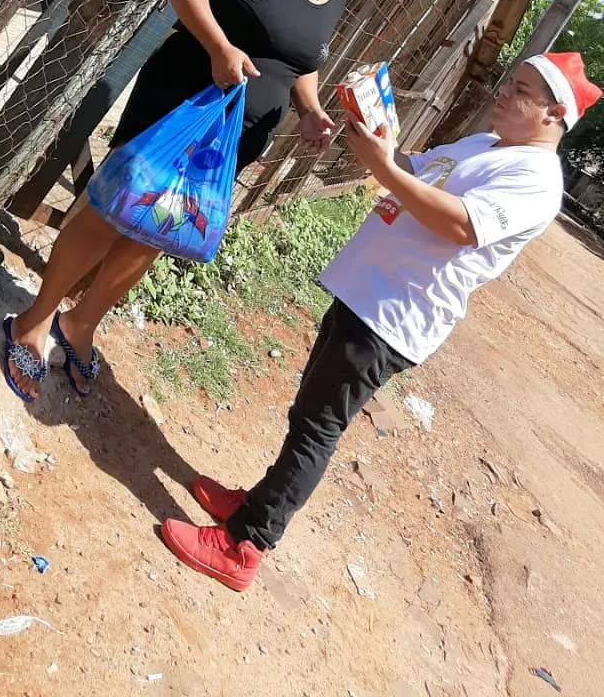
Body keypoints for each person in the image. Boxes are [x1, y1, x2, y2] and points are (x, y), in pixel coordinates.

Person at [160, 51, 602, 592]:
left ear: (555, 114)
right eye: (509, 82)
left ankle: (246, 544)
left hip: (396, 313)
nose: (504, 93)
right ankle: (258, 502)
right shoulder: (489, 144)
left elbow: (463, 226)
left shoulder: (536, 179)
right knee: (308, 412)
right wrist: (376, 138)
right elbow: (419, 170)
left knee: (317, 429)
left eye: (522, 91)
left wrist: (385, 168)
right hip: (368, 288)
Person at [2, 0, 407, 401]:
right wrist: (220, 47)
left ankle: (80, 324)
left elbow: (302, 62)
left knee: (159, 230)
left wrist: (309, 110)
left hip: (226, 143)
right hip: (178, 107)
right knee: (111, 212)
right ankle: (33, 320)